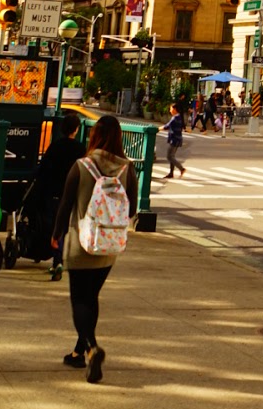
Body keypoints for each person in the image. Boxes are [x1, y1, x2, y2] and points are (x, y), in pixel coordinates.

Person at [51, 114, 139, 383]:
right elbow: (133, 209)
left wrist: (56, 234)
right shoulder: (128, 168)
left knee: (80, 299)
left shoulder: (82, 166)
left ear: (94, 136)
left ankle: (91, 347)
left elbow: (65, 205)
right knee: (92, 297)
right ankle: (80, 352)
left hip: (82, 242)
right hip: (110, 246)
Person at [29, 112, 86, 278]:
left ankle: (57, 259)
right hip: (70, 193)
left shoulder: (55, 146)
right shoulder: (80, 149)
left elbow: (43, 169)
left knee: (53, 223)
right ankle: (59, 259)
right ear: (75, 130)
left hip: (52, 191)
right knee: (64, 226)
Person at [160, 101, 186, 179]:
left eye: (171, 109)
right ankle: (171, 173)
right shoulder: (179, 117)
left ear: (175, 109)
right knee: (172, 156)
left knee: (169, 156)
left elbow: (167, 126)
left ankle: (181, 169)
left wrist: (158, 129)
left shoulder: (175, 118)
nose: (170, 110)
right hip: (177, 139)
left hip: (174, 139)